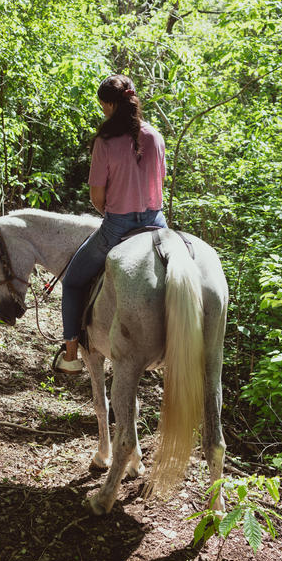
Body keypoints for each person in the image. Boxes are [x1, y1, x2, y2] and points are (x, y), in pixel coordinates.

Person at [54, 74, 168, 373]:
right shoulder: (155, 136)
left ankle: (70, 355)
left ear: (108, 104)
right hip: (157, 222)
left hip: (119, 226)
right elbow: (160, 180)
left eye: (103, 105)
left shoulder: (104, 142)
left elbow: (97, 196)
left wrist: (115, 212)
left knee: (73, 281)